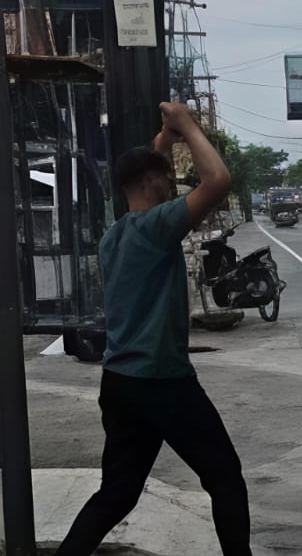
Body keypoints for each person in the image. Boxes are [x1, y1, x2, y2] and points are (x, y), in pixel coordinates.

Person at [56, 103, 253, 556]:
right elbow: (218, 182)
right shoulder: (160, 225)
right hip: (163, 382)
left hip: (120, 383)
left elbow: (149, 166)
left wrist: (163, 139)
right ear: (149, 182)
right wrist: (185, 124)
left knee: (117, 493)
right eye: (166, 178)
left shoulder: (116, 231)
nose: (172, 186)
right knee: (225, 478)